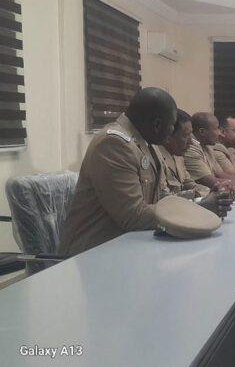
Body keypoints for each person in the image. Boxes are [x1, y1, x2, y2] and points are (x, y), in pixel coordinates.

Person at [58, 88, 176, 256]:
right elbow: (134, 217)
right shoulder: (113, 143)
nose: (173, 130)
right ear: (157, 125)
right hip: (92, 253)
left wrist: (194, 207)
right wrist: (187, 214)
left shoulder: (148, 144)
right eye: (172, 125)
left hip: (128, 247)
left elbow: (163, 197)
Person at [158, 109, 234, 215]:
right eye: (185, 136)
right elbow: (165, 199)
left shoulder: (178, 156)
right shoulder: (158, 158)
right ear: (169, 136)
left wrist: (216, 193)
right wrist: (203, 202)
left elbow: (190, 184)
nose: (191, 142)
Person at [184, 112, 235, 189]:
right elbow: (212, 182)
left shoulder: (207, 147)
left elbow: (219, 174)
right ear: (202, 132)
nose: (220, 133)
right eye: (216, 129)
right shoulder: (191, 149)